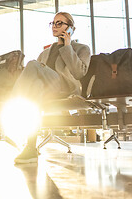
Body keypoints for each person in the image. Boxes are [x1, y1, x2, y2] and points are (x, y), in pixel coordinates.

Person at [12, 12, 91, 164]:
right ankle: (30, 148)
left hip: (64, 88)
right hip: (46, 90)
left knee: (32, 64)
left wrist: (67, 47)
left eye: (59, 23)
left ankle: (11, 105)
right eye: (53, 23)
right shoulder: (45, 52)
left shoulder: (81, 48)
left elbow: (79, 72)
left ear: (71, 28)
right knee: (36, 86)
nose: (55, 26)